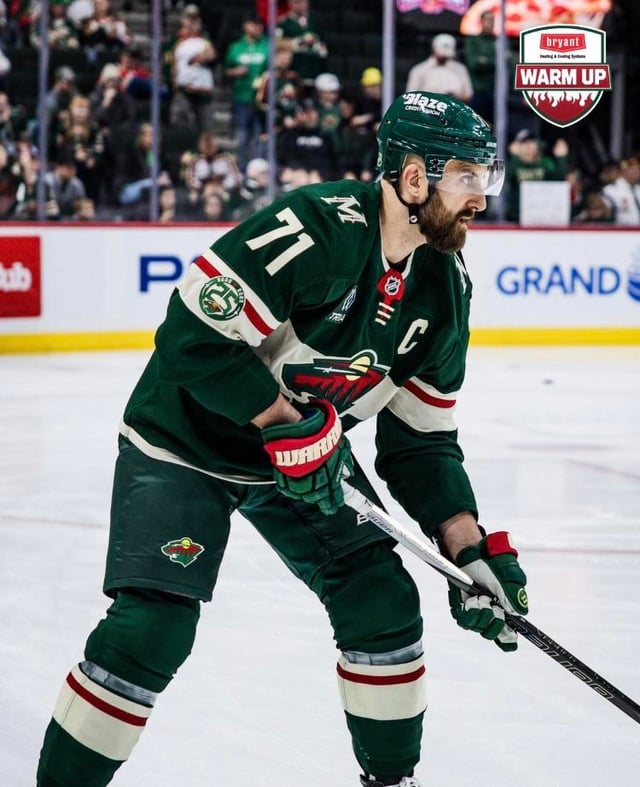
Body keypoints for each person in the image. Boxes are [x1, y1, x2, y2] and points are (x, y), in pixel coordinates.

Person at [36, 90, 529, 787]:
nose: (481, 198)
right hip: (186, 439)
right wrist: (281, 421)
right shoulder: (318, 228)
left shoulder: (445, 289)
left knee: (381, 600)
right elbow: (191, 337)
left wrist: (466, 545)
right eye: (467, 178)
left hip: (302, 461)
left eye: (487, 177)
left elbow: (421, 444)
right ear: (415, 178)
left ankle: (393, 782)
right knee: (152, 628)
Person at [224, 12, 269, 172]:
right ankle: (242, 170)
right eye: (254, 24)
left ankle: (256, 172)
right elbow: (226, 71)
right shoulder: (236, 47)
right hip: (241, 97)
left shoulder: (267, 46)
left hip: (262, 100)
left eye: (260, 25)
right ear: (246, 26)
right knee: (242, 136)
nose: (258, 28)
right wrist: (235, 72)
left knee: (258, 136)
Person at [505, 128, 569, 222]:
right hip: (516, 217)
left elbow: (558, 182)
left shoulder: (545, 163)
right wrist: (514, 157)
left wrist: (561, 159)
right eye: (524, 143)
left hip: (542, 214)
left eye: (532, 142)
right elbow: (505, 179)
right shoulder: (513, 163)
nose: (529, 146)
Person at [406, 33, 473, 104]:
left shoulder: (460, 69)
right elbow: (410, 96)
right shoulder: (419, 70)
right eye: (442, 55)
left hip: (454, 108)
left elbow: (468, 95)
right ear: (434, 49)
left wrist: (452, 98)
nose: (444, 58)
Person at [463, 9, 496, 126]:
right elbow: (474, 64)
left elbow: (506, 65)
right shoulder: (473, 41)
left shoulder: (499, 42)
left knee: (496, 127)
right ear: (481, 21)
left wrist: (485, 60)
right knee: (476, 125)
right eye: (487, 20)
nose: (490, 23)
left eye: (492, 20)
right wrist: (494, 62)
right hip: (478, 92)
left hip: (496, 92)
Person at [601, 155, 640, 225]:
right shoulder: (610, 190)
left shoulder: (638, 189)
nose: (637, 173)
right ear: (623, 171)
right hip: (620, 230)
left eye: (638, 170)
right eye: (633, 170)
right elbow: (603, 215)